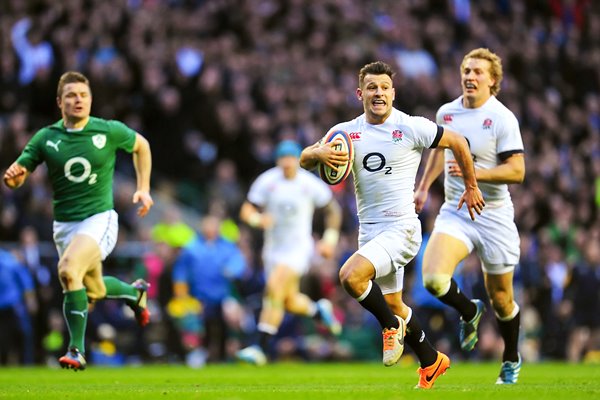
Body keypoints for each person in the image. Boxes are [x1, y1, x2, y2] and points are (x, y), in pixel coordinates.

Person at [300, 61, 485, 389]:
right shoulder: (347, 133)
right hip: (370, 232)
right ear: (360, 94)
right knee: (395, 304)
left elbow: (458, 142)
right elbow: (304, 160)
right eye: (372, 88)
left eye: (384, 87)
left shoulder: (412, 127)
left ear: (393, 92)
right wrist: (318, 152)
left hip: (402, 229)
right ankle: (431, 360)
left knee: (350, 276)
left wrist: (471, 186)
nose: (378, 93)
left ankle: (389, 328)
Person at [3, 71, 154, 371]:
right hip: (65, 227)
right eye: (72, 95)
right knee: (93, 290)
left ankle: (76, 350)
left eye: (84, 95)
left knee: (69, 269)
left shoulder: (108, 131)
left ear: (90, 100)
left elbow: (142, 146)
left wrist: (143, 188)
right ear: (60, 102)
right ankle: (134, 293)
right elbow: (18, 175)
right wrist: (13, 180)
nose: (79, 100)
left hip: (100, 219)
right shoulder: (46, 138)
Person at [414, 48, 525, 384]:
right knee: (433, 280)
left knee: (503, 300)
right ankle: (469, 310)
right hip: (456, 211)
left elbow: (517, 171)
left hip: (494, 216)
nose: (470, 76)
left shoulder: (502, 118)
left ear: (493, 81)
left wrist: (473, 176)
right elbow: (439, 151)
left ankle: (510, 357)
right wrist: (422, 187)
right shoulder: (447, 112)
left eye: (478, 71)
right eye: (466, 70)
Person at [235, 140, 343, 365]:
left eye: (290, 159)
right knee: (287, 301)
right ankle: (317, 310)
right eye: (282, 159)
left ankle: (260, 347)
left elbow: (333, 209)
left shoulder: (308, 183)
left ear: (297, 160)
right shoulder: (267, 181)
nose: (286, 164)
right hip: (273, 249)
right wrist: (257, 219)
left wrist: (329, 239)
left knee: (274, 287)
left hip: (298, 248)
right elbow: (247, 209)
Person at [171, 214, 247, 366]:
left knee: (230, 319)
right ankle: (198, 353)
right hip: (199, 296)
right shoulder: (192, 247)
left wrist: (232, 270)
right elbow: (181, 271)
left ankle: (229, 353)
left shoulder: (227, 246)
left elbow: (238, 264)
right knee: (196, 325)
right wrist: (181, 291)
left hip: (223, 295)